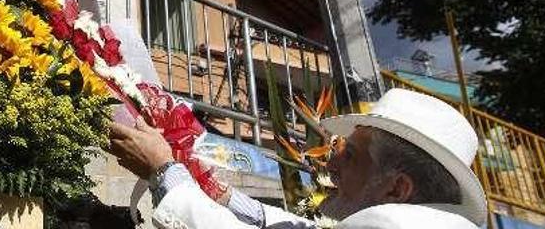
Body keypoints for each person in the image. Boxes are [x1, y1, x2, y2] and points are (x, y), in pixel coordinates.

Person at [109, 88, 487, 229]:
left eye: (351, 156)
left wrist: (163, 171)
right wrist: (225, 196)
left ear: (396, 188)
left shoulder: (392, 226)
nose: (330, 165)